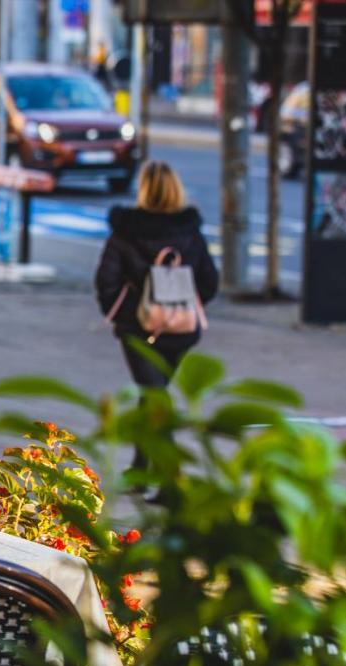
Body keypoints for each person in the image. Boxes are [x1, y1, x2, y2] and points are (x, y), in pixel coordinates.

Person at [94, 161, 218, 464]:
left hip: (139, 333)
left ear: (144, 190)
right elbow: (210, 281)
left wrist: (131, 316)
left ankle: (167, 480)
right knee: (153, 395)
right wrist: (180, 306)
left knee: (154, 399)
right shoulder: (190, 232)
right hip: (182, 332)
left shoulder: (125, 233)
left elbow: (105, 283)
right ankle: (140, 469)